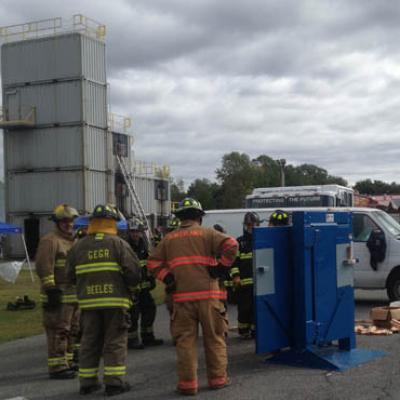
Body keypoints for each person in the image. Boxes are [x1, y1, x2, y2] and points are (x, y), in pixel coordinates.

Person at [148, 197, 238, 396]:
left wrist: (169, 279)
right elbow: (231, 244)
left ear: (180, 218)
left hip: (182, 298)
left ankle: (188, 385)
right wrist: (220, 268)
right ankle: (218, 379)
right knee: (214, 338)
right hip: (209, 296)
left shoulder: (168, 239)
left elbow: (153, 263)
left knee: (185, 342)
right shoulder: (209, 234)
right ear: (199, 217)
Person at [66, 204, 141, 396]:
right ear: (112, 222)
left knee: (89, 341)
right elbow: (133, 273)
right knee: (114, 341)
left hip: (88, 304)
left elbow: (69, 275)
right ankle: (114, 383)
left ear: (92, 222)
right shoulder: (118, 244)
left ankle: (87, 383)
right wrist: (130, 288)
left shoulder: (78, 246)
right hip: (116, 302)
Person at [35, 204, 80, 379]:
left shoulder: (73, 241)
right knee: (58, 331)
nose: (68, 224)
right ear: (57, 222)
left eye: (71, 221)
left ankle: (67, 362)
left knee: (72, 331)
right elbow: (44, 266)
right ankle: (57, 367)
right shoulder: (50, 240)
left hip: (73, 296)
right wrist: (50, 289)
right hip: (57, 296)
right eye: (64, 221)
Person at [126, 217, 163, 349]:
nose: (135, 234)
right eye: (133, 231)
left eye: (137, 231)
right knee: (133, 314)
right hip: (131, 289)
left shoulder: (143, 246)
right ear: (129, 232)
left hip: (144, 288)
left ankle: (148, 337)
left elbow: (148, 265)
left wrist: (151, 279)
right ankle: (132, 340)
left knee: (150, 310)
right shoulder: (125, 247)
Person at [231, 212, 260, 339]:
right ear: (245, 226)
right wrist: (236, 276)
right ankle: (243, 331)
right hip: (243, 283)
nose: (251, 227)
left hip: (259, 283)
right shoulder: (239, 242)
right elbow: (233, 262)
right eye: (249, 225)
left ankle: (255, 331)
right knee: (244, 309)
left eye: (254, 224)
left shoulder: (262, 240)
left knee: (257, 309)